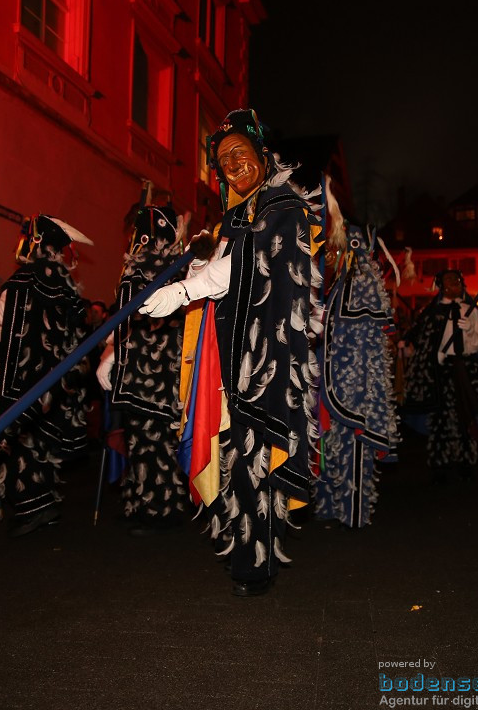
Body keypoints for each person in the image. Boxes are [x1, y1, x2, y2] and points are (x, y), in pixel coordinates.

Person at [138, 108, 323, 596]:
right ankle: (249, 553)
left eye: (241, 153)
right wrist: (198, 263)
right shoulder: (241, 215)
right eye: (223, 161)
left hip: (267, 362)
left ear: (263, 154)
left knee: (257, 462)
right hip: (230, 360)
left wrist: (184, 291)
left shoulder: (283, 206)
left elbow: (247, 264)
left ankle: (255, 563)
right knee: (239, 462)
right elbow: (226, 262)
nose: (233, 164)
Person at [0, 214, 93, 537]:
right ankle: (44, 503)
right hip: (52, 382)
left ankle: (31, 505)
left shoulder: (28, 277)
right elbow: (26, 327)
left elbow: (9, 312)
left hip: (22, 380)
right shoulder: (63, 282)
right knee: (40, 443)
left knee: (13, 441)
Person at [97, 203, 191, 535]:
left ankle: (160, 509)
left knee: (155, 443)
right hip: (138, 373)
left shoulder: (162, 270)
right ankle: (140, 501)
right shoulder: (150, 269)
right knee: (141, 442)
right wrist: (112, 352)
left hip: (156, 374)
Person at [315, 219, 399, 528]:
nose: (332, 254)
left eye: (337, 248)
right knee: (330, 445)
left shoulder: (360, 280)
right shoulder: (339, 283)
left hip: (353, 387)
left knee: (352, 448)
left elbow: (360, 339)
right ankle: (329, 507)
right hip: (331, 379)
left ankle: (352, 513)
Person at [403, 269, 478, 484]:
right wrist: (435, 353)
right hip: (441, 368)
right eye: (450, 281)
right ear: (442, 286)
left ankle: (465, 461)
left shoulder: (471, 310)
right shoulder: (434, 312)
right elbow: (424, 336)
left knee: (465, 414)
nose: (455, 284)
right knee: (440, 417)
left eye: (457, 280)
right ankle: (440, 462)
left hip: (466, 366)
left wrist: (469, 330)